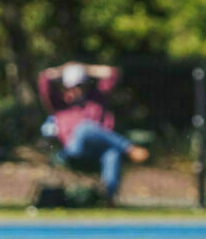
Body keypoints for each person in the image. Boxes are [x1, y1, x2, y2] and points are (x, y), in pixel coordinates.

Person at [37, 62, 149, 204]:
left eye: (79, 85)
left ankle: (108, 197)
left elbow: (113, 73)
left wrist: (86, 70)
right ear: (64, 87)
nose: (75, 90)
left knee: (112, 152)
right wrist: (65, 68)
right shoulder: (58, 105)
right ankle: (128, 148)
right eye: (71, 86)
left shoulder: (96, 100)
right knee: (85, 128)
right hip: (72, 152)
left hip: (96, 155)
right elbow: (44, 78)